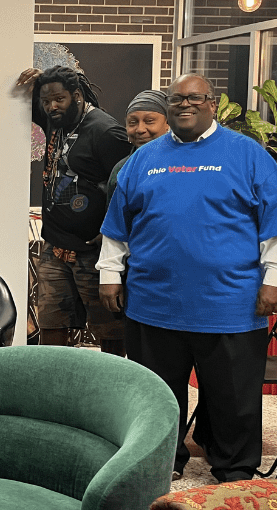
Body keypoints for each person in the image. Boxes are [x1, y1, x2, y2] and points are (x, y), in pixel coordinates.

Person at [98, 73, 277, 483]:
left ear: (212, 104)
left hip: (230, 302)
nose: (185, 105)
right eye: (177, 99)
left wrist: (274, 279)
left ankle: (234, 466)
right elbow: (117, 224)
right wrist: (110, 273)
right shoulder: (143, 159)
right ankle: (162, 460)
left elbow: (273, 223)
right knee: (157, 393)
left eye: (195, 98)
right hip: (153, 301)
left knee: (233, 394)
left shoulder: (247, 154)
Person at [16, 66, 132, 355]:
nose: (51, 106)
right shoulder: (57, 120)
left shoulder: (105, 131)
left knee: (110, 331)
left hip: (93, 253)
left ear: (77, 96)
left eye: (59, 99)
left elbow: (126, 185)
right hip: (54, 247)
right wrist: (37, 82)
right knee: (52, 326)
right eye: (46, 101)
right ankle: (53, 392)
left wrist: (112, 233)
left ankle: (110, 392)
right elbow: (38, 105)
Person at [106, 89, 171, 201]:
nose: (140, 129)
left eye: (149, 121)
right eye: (133, 122)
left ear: (168, 123)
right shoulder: (122, 170)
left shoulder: (185, 165)